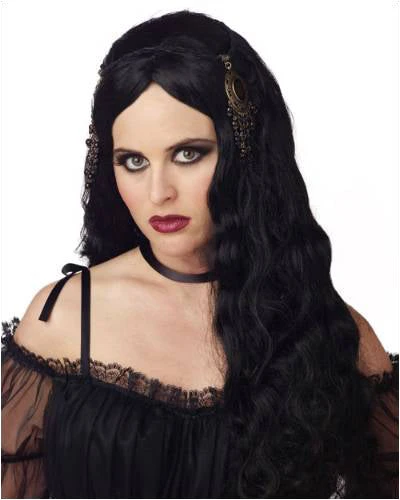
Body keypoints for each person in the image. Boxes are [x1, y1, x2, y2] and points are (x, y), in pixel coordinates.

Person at [1, 9, 398, 499]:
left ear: (244, 154)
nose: (159, 192)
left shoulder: (330, 333)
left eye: (188, 154)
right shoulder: (63, 319)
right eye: (133, 161)